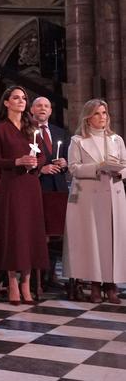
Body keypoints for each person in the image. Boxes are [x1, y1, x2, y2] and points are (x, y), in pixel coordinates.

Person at [63, 99, 126, 304]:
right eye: (98, 113)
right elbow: (73, 168)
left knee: (113, 239)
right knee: (93, 239)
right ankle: (95, 284)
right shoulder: (78, 140)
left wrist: (120, 172)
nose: (102, 117)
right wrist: (97, 167)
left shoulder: (116, 139)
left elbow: (125, 164)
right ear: (88, 117)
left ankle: (111, 284)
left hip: (113, 194)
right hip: (89, 196)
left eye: (105, 113)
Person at [0, 86, 48, 305]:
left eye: (24, 98)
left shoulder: (31, 126)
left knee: (30, 232)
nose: (21, 101)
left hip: (31, 184)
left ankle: (27, 283)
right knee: (14, 232)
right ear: (6, 102)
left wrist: (36, 162)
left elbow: (42, 154)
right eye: (16, 98)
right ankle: (12, 282)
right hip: (12, 185)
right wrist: (16, 161)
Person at [30, 97, 69, 192]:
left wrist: (65, 163)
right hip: (37, 186)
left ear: (50, 111)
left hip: (60, 187)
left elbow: (68, 158)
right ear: (32, 110)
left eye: (46, 106)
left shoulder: (60, 132)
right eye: (39, 106)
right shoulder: (25, 132)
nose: (43, 108)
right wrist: (40, 170)